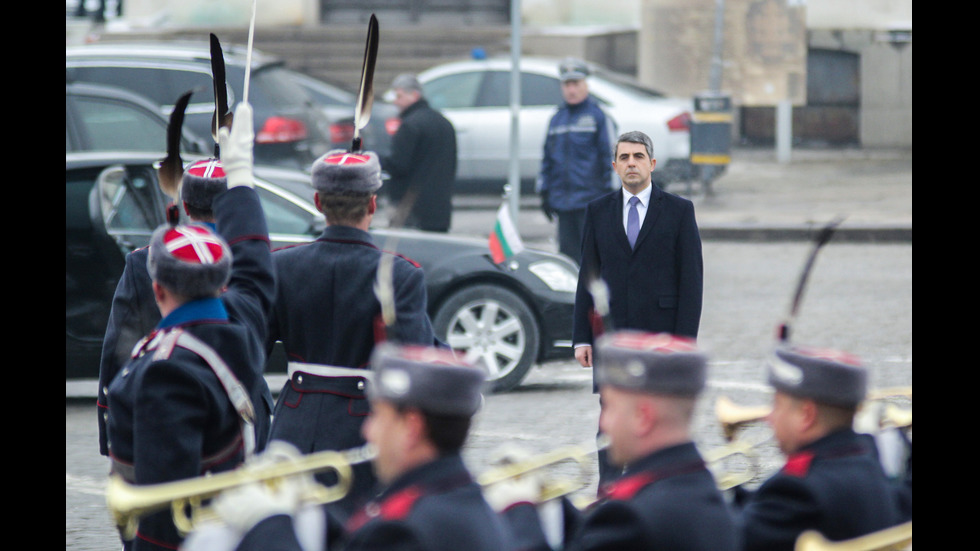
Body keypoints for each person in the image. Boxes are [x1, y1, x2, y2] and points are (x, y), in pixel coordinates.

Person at [104, 102, 276, 551]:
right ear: (224, 281)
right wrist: (241, 175)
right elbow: (256, 264)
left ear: (159, 290)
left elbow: (164, 509)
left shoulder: (162, 372)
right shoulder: (246, 320)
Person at [204, 343, 511, 551]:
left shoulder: (406, 531)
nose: (368, 431)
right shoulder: (455, 497)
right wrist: (314, 509)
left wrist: (268, 525)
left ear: (412, 428)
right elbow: (366, 535)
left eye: (378, 416)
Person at [266, 148, 437, 520]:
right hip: (364, 428)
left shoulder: (280, 265)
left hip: (293, 421)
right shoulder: (400, 274)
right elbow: (416, 356)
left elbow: (252, 349)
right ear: (373, 204)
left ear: (317, 202)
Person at [491, 331, 737, 551]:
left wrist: (520, 512)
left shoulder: (630, 519)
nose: (604, 423)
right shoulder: (705, 490)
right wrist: (560, 509)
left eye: (608, 407)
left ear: (643, 417)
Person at [97, 157, 274, 459]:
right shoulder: (249, 263)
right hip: (243, 404)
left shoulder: (144, 261)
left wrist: (112, 428)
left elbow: (119, 347)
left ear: (186, 206)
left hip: (160, 401)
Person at [573, 129, 703, 485]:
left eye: (639, 156)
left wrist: (684, 343)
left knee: (657, 413)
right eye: (625, 158)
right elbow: (588, 274)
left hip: (660, 334)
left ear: (652, 163)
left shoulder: (679, 211)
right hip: (611, 336)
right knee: (610, 414)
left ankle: (660, 485)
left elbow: (691, 283)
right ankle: (609, 488)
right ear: (615, 166)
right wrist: (581, 338)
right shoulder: (597, 212)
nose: (632, 163)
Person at [731, 344, 911, 550]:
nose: (768, 417)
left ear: (807, 415)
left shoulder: (796, 491)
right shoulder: (876, 464)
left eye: (777, 405)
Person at [537, 57, 617, 265]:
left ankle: (598, 298)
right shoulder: (557, 119)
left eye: (576, 84)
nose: (571, 90)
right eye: (567, 84)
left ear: (586, 85)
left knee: (594, 260)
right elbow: (547, 160)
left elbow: (612, 159)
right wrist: (545, 192)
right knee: (568, 261)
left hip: (591, 204)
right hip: (564, 205)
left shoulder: (598, 117)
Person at [380, 73, 457, 232]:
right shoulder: (444, 123)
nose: (395, 101)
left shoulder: (410, 125)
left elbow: (398, 165)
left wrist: (374, 159)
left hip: (411, 207)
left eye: (399, 96)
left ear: (414, 95)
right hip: (440, 206)